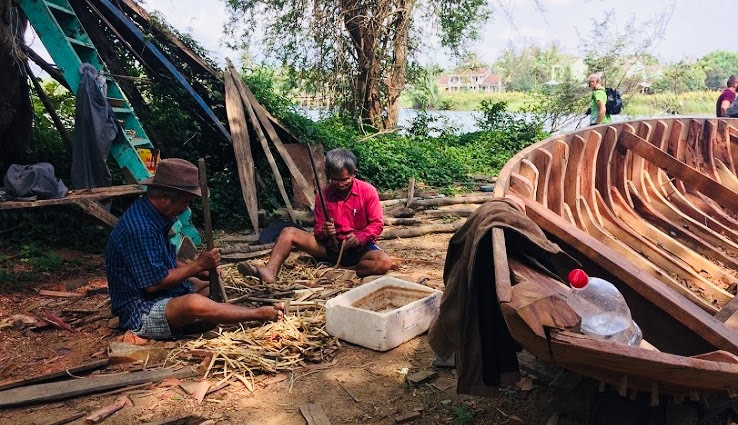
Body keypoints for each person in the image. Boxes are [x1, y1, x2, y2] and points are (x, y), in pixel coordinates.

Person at [105, 158, 283, 340]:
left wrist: (199, 273)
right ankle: (258, 314)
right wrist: (197, 266)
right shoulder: (140, 227)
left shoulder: (155, 216)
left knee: (210, 285)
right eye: (185, 203)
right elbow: (153, 284)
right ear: (164, 198)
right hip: (141, 309)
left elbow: (163, 260)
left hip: (161, 293)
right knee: (194, 304)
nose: (185, 209)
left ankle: (215, 312)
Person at [241, 148, 393, 283]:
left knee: (383, 263)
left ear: (354, 173)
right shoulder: (323, 195)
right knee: (288, 232)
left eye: (345, 179)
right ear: (329, 176)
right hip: (328, 249)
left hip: (359, 251)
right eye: (335, 180)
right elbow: (318, 231)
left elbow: (377, 224)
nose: (340, 184)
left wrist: (359, 237)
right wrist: (325, 232)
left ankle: (351, 268)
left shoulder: (368, 191)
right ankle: (270, 271)